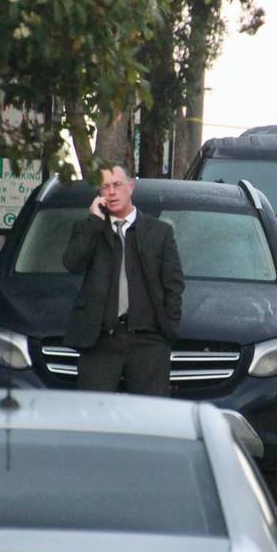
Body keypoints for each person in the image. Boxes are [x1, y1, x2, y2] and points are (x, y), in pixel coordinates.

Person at [62, 165, 184, 396]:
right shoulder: (89, 229)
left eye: (117, 185)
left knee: (150, 415)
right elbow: (72, 264)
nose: (111, 192)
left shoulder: (159, 232)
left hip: (148, 341)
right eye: (105, 187)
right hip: (101, 341)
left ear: (131, 187)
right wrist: (95, 222)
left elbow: (174, 283)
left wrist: (169, 329)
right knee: (93, 414)